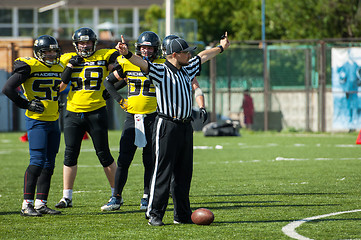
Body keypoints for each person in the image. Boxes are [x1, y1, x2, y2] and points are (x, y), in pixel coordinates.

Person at [116, 32, 230, 226]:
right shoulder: (160, 71)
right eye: (185, 52)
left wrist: (221, 48)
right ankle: (154, 213)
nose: (189, 55)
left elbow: (203, 56)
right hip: (166, 125)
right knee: (162, 171)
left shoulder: (188, 67)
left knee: (184, 173)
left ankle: (182, 215)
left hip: (186, 126)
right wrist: (127, 54)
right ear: (175, 54)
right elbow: (142, 64)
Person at [101, 32, 208, 212]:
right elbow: (109, 82)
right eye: (143, 47)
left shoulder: (162, 66)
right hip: (133, 116)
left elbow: (195, 74)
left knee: (150, 160)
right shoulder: (129, 62)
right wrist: (121, 101)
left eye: (150, 47)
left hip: (154, 116)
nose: (146, 50)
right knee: (124, 159)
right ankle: (116, 196)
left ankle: (146, 196)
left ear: (157, 49)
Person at [55, 27, 119, 208]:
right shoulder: (67, 59)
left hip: (96, 111)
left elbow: (123, 71)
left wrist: (111, 89)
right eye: (82, 42)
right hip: (73, 112)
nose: (85, 45)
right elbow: (59, 87)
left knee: (104, 154)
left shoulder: (104, 55)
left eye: (88, 42)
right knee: (69, 155)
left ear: (94, 43)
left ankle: (116, 194)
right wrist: (69, 67)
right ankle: (66, 197)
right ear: (76, 44)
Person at [2, 35, 63, 216]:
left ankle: (40, 203)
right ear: (38, 52)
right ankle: (26, 204)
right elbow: (7, 89)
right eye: (47, 51)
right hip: (37, 120)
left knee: (49, 164)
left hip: (54, 119)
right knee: (36, 161)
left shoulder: (59, 67)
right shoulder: (30, 65)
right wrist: (26, 104)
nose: (52, 54)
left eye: (54, 51)